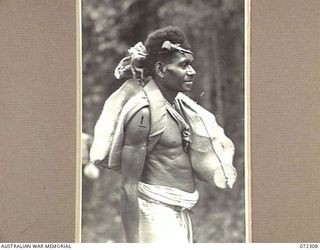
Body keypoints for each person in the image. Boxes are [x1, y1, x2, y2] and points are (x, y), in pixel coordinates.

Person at [90, 26, 237, 243]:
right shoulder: (144, 112)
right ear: (160, 69)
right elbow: (128, 186)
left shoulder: (177, 106)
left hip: (178, 212)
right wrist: (133, 244)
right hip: (155, 214)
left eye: (191, 64)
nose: (192, 71)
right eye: (184, 65)